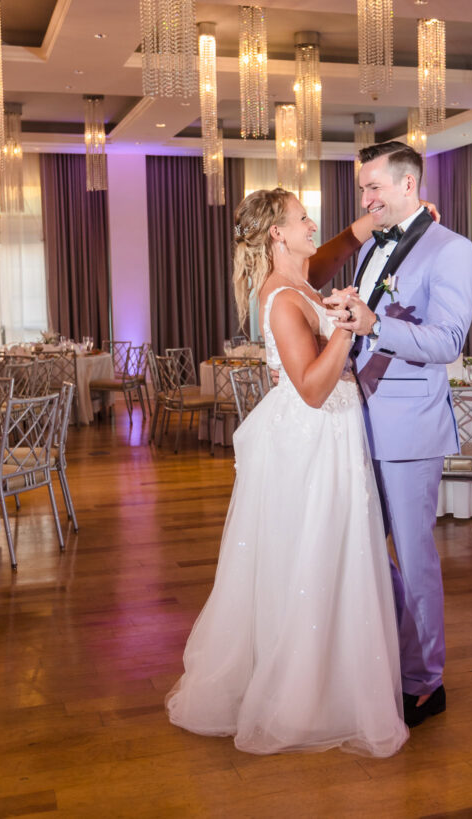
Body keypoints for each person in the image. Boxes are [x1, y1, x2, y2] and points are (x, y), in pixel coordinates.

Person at [165, 188, 409, 756]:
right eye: (302, 218)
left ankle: (331, 684)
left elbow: (334, 249)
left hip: (334, 436)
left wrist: (377, 218)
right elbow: (314, 388)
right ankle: (301, 697)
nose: (311, 224)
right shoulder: (280, 298)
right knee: (313, 556)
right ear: (277, 233)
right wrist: (348, 324)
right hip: (313, 436)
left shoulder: (301, 278)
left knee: (336, 556)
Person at [313, 141, 472, 727]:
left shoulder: (453, 251)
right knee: (357, 545)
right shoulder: (370, 249)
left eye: (374, 188)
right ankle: (392, 653)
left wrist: (377, 324)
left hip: (409, 426)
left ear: (409, 186)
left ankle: (425, 680)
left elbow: (447, 343)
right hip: (355, 419)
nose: (366, 199)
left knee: (413, 557)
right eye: (362, 188)